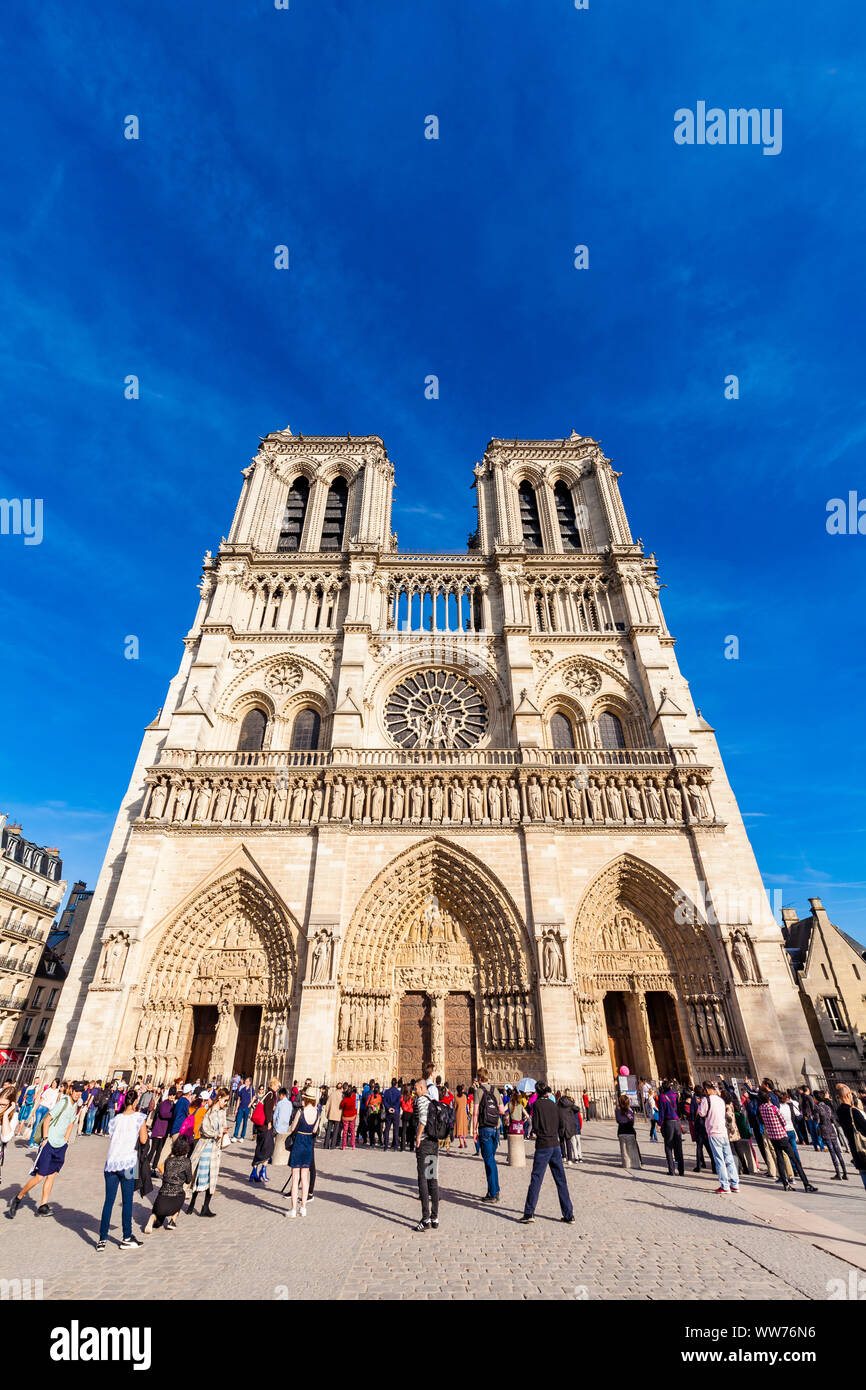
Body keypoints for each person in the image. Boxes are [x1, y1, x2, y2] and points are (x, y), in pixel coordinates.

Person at [7, 1080, 83, 1221]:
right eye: (77, 1091)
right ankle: (18, 1198)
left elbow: (71, 1123)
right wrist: (46, 1138)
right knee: (39, 1176)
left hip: (61, 1145)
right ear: (71, 1090)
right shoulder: (64, 1102)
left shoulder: (75, 1106)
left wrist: (66, 1141)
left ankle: (42, 1206)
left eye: (81, 1092)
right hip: (49, 1143)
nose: (78, 1094)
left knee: (52, 1175)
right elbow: (47, 1119)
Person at [93, 1092, 149, 1250]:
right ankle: (127, 1237)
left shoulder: (115, 1119)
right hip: (129, 1163)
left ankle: (102, 1239)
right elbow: (144, 1139)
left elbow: (113, 1137)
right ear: (136, 1101)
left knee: (108, 1202)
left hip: (111, 1163)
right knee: (127, 1201)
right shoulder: (140, 1117)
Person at [519, 1084, 574, 1224]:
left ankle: (529, 1213)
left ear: (537, 1092)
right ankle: (569, 1215)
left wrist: (537, 1132)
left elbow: (535, 1125)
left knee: (536, 1179)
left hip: (543, 1146)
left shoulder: (536, 1105)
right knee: (561, 1180)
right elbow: (560, 1124)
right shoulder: (553, 1104)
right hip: (555, 1145)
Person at [758, 1088, 817, 1194]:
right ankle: (806, 1184)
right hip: (781, 1135)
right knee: (795, 1159)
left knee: (779, 1158)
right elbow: (783, 1121)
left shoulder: (761, 1108)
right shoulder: (773, 1108)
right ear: (769, 1098)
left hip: (772, 1136)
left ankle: (785, 1184)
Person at [188, 1087, 229, 1216]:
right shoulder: (210, 1111)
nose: (226, 1103)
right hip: (206, 1148)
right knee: (200, 1176)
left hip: (215, 1149)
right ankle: (192, 1203)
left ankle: (205, 1207)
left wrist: (224, 1131)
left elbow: (223, 1126)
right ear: (220, 1098)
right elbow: (204, 1129)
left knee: (212, 1178)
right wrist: (219, 1132)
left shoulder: (222, 1112)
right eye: (225, 1100)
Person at [144, 1136, 192, 1233]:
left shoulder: (168, 1161)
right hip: (176, 1197)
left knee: (158, 1223)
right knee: (183, 1193)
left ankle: (153, 1217)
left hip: (162, 1198)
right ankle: (172, 1221)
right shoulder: (187, 1162)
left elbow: (166, 1175)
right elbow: (188, 1180)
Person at [285, 1087, 320, 1217]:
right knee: (305, 1177)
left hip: (299, 1142)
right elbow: (315, 1130)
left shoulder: (301, 1111)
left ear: (305, 1098)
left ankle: (293, 1209)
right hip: (308, 1144)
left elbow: (292, 1128)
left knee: (295, 1178)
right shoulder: (317, 1113)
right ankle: (303, 1208)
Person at [699, 1082, 739, 1194]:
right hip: (723, 1132)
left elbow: (701, 1113)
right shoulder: (721, 1100)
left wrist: (700, 1103)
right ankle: (735, 1184)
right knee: (729, 1159)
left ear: (706, 1090)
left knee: (719, 1160)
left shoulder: (706, 1100)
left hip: (713, 1132)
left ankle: (725, 1186)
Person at [472, 1068, 506, 1203]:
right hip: (496, 1129)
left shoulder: (478, 1091)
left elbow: (475, 1113)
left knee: (489, 1161)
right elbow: (502, 1110)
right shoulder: (495, 1090)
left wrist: (474, 1131)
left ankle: (492, 1193)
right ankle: (495, 1189)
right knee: (492, 1160)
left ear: (479, 1079)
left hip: (485, 1129)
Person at [412, 1079, 440, 1233]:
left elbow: (422, 1119)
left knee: (423, 1180)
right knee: (432, 1179)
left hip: (424, 1144)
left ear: (422, 1087)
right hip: (434, 1143)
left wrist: (418, 1137)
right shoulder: (433, 1099)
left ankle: (425, 1219)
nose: (415, 1090)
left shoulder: (422, 1100)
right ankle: (435, 1217)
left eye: (416, 1088)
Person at [834, 1084, 866, 1192]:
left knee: (863, 1173)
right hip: (863, 1146)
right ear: (848, 1095)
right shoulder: (854, 1112)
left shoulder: (839, 1111)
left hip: (854, 1148)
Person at [250, 1078, 278, 1183]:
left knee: (260, 1147)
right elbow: (268, 1110)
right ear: (273, 1085)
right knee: (268, 1148)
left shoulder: (267, 1094)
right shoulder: (271, 1095)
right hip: (265, 1126)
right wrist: (269, 1122)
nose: (278, 1087)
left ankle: (254, 1172)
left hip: (260, 1126)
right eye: (277, 1085)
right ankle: (262, 1171)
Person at [816, 1091, 847, 1180]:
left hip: (825, 1130)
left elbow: (817, 1120)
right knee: (838, 1152)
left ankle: (838, 1173)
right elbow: (832, 1118)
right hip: (831, 1129)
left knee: (832, 1152)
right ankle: (845, 1173)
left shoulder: (817, 1108)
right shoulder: (827, 1107)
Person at [657, 1079, 684, 1176]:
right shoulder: (674, 1095)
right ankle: (681, 1170)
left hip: (668, 1123)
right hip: (676, 1122)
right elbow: (677, 1108)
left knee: (668, 1147)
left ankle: (671, 1170)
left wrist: (659, 1124)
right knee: (678, 1147)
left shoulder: (662, 1097)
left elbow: (662, 1112)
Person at [615, 1092, 642, 1169]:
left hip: (621, 1130)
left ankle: (626, 1164)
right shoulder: (629, 1110)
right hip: (629, 1130)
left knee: (624, 1150)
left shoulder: (617, 1110)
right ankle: (636, 1163)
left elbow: (617, 1120)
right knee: (633, 1149)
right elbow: (632, 1121)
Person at [149, 1088, 175, 1165]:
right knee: (153, 1149)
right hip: (158, 1129)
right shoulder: (164, 1103)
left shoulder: (174, 1105)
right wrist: (172, 1114)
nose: (172, 1096)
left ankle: (154, 1167)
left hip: (165, 1131)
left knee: (159, 1151)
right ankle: (145, 1164)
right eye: (170, 1095)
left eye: (173, 1095)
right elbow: (163, 1114)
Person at [557, 1090, 580, 1167]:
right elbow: (577, 1109)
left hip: (560, 1123)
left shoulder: (559, 1102)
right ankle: (569, 1159)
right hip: (568, 1124)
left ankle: (564, 1157)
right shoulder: (570, 1103)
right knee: (568, 1141)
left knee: (561, 1141)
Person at [0, 1082, 18, 1175]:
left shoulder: (13, 1117)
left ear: (11, 1105)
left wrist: (6, 1115)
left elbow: (5, 1138)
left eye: (3, 1105)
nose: (0, 1107)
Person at [272, 1087, 293, 1165]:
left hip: (278, 1128)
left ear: (281, 1095)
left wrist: (273, 1125)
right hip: (286, 1127)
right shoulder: (290, 1104)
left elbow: (274, 1116)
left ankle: (269, 1156)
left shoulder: (279, 1103)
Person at [382, 1077, 402, 1151]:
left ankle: (386, 1145)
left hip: (389, 1112)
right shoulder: (398, 1092)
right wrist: (394, 1108)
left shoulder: (387, 1092)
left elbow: (384, 1101)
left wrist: (388, 1108)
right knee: (396, 1130)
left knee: (387, 1129)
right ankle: (395, 1146)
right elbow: (398, 1102)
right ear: (396, 1084)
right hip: (396, 1112)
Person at [232, 1077, 255, 1142]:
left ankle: (242, 1137)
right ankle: (235, 1136)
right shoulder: (242, 1089)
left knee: (245, 1123)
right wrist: (236, 1109)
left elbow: (254, 1097)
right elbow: (239, 1099)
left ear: (249, 1082)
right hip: (241, 1107)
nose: (245, 1082)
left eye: (247, 1081)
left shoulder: (251, 1089)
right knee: (238, 1122)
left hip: (247, 1108)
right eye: (245, 1081)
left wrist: (250, 1104)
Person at [324, 1084, 343, 1149]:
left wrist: (326, 1113)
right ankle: (333, 1145)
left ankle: (326, 1145)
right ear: (341, 1088)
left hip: (331, 1114)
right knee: (335, 1131)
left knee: (328, 1130)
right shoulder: (342, 1095)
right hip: (338, 1115)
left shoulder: (332, 1094)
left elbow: (327, 1104)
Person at [340, 1085, 357, 1149]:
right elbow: (354, 1094)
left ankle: (344, 1145)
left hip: (345, 1116)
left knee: (345, 1131)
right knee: (352, 1131)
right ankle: (353, 1145)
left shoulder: (345, 1100)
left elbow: (341, 1106)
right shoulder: (353, 1097)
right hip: (352, 1116)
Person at [453, 1085, 470, 1150]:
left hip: (458, 1113)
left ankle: (461, 1143)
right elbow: (466, 1104)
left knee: (459, 1127)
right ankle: (464, 1140)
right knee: (463, 1127)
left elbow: (455, 1106)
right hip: (464, 1113)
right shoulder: (464, 1096)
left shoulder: (456, 1097)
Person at [399, 1085, 415, 1151]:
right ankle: (411, 1146)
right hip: (411, 1113)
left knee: (403, 1131)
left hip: (405, 1113)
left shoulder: (403, 1097)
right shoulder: (412, 1097)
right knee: (411, 1130)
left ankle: (402, 1147)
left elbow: (401, 1104)